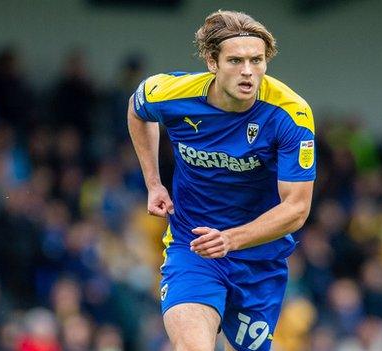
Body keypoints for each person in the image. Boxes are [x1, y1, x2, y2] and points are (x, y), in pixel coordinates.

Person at [128, 10, 315, 351]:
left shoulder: (290, 114)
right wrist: (153, 182)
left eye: (257, 60)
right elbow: (137, 109)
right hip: (194, 247)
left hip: (259, 260)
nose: (248, 71)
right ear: (212, 62)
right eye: (235, 60)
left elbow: (297, 208)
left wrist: (231, 239)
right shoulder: (172, 93)